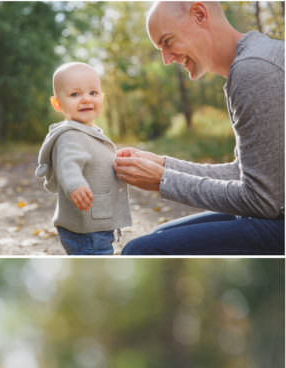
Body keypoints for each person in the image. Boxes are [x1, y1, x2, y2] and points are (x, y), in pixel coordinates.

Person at [115, 1, 284, 256]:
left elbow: (262, 201)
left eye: (167, 42)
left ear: (199, 14)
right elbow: (245, 175)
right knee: (159, 236)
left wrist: (163, 180)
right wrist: (164, 165)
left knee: (141, 250)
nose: (166, 59)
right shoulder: (251, 60)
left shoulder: (253, 70)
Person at [37, 61, 131, 254]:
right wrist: (75, 185)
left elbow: (95, 160)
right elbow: (67, 164)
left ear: (102, 97)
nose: (86, 99)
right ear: (57, 103)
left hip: (93, 221)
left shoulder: (88, 132)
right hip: (86, 229)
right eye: (75, 94)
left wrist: (116, 160)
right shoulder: (70, 135)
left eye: (93, 93)